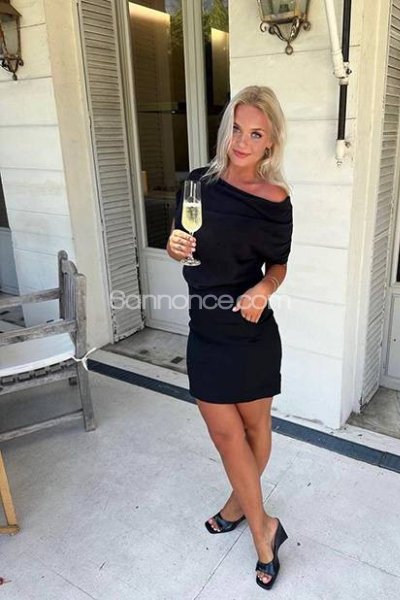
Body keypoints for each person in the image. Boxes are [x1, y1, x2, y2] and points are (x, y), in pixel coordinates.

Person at [166, 85, 293, 591]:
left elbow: (278, 265)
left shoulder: (275, 200)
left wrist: (264, 288)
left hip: (250, 328)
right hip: (206, 325)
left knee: (254, 429)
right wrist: (174, 248)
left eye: (256, 134)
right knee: (224, 435)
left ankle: (247, 517)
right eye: (236, 129)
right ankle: (264, 523)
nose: (242, 142)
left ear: (271, 142)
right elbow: (181, 243)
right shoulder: (197, 185)